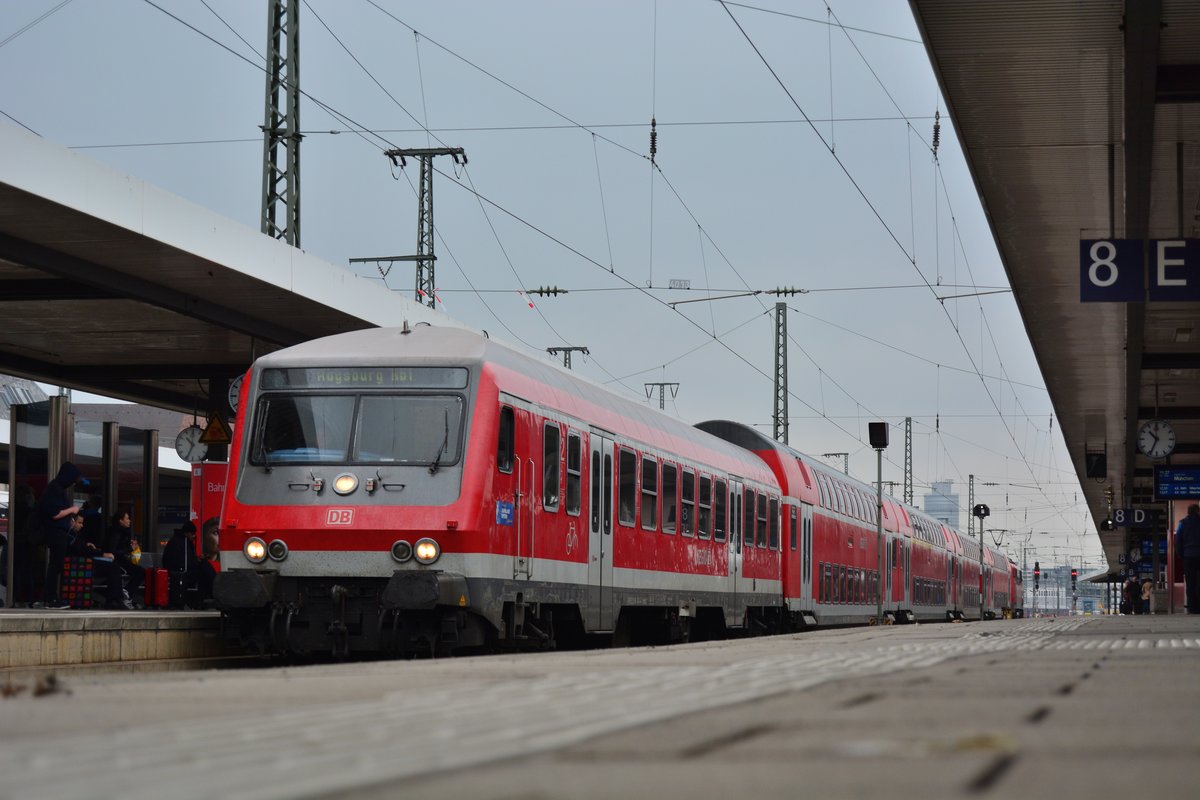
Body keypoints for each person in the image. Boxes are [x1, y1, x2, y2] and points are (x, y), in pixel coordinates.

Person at [36, 462, 87, 609]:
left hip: (58, 532)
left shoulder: (57, 488)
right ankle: (51, 598)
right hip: (56, 533)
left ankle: (48, 597)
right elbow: (55, 514)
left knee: (55, 566)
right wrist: (72, 509)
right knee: (55, 566)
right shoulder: (55, 490)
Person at [105, 509, 145, 599]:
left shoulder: (120, 532)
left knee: (140, 571)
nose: (129, 521)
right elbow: (113, 550)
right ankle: (127, 592)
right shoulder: (117, 532)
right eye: (127, 518)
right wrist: (130, 548)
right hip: (117, 562)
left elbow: (119, 547)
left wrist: (128, 545)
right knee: (140, 572)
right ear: (120, 521)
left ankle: (127, 592)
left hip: (120, 560)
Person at [1176, 503, 1200, 614]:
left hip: (1188, 556)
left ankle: (1192, 608)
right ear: (1197, 511)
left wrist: (1182, 554)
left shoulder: (1182, 523)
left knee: (1190, 582)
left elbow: (1178, 541)